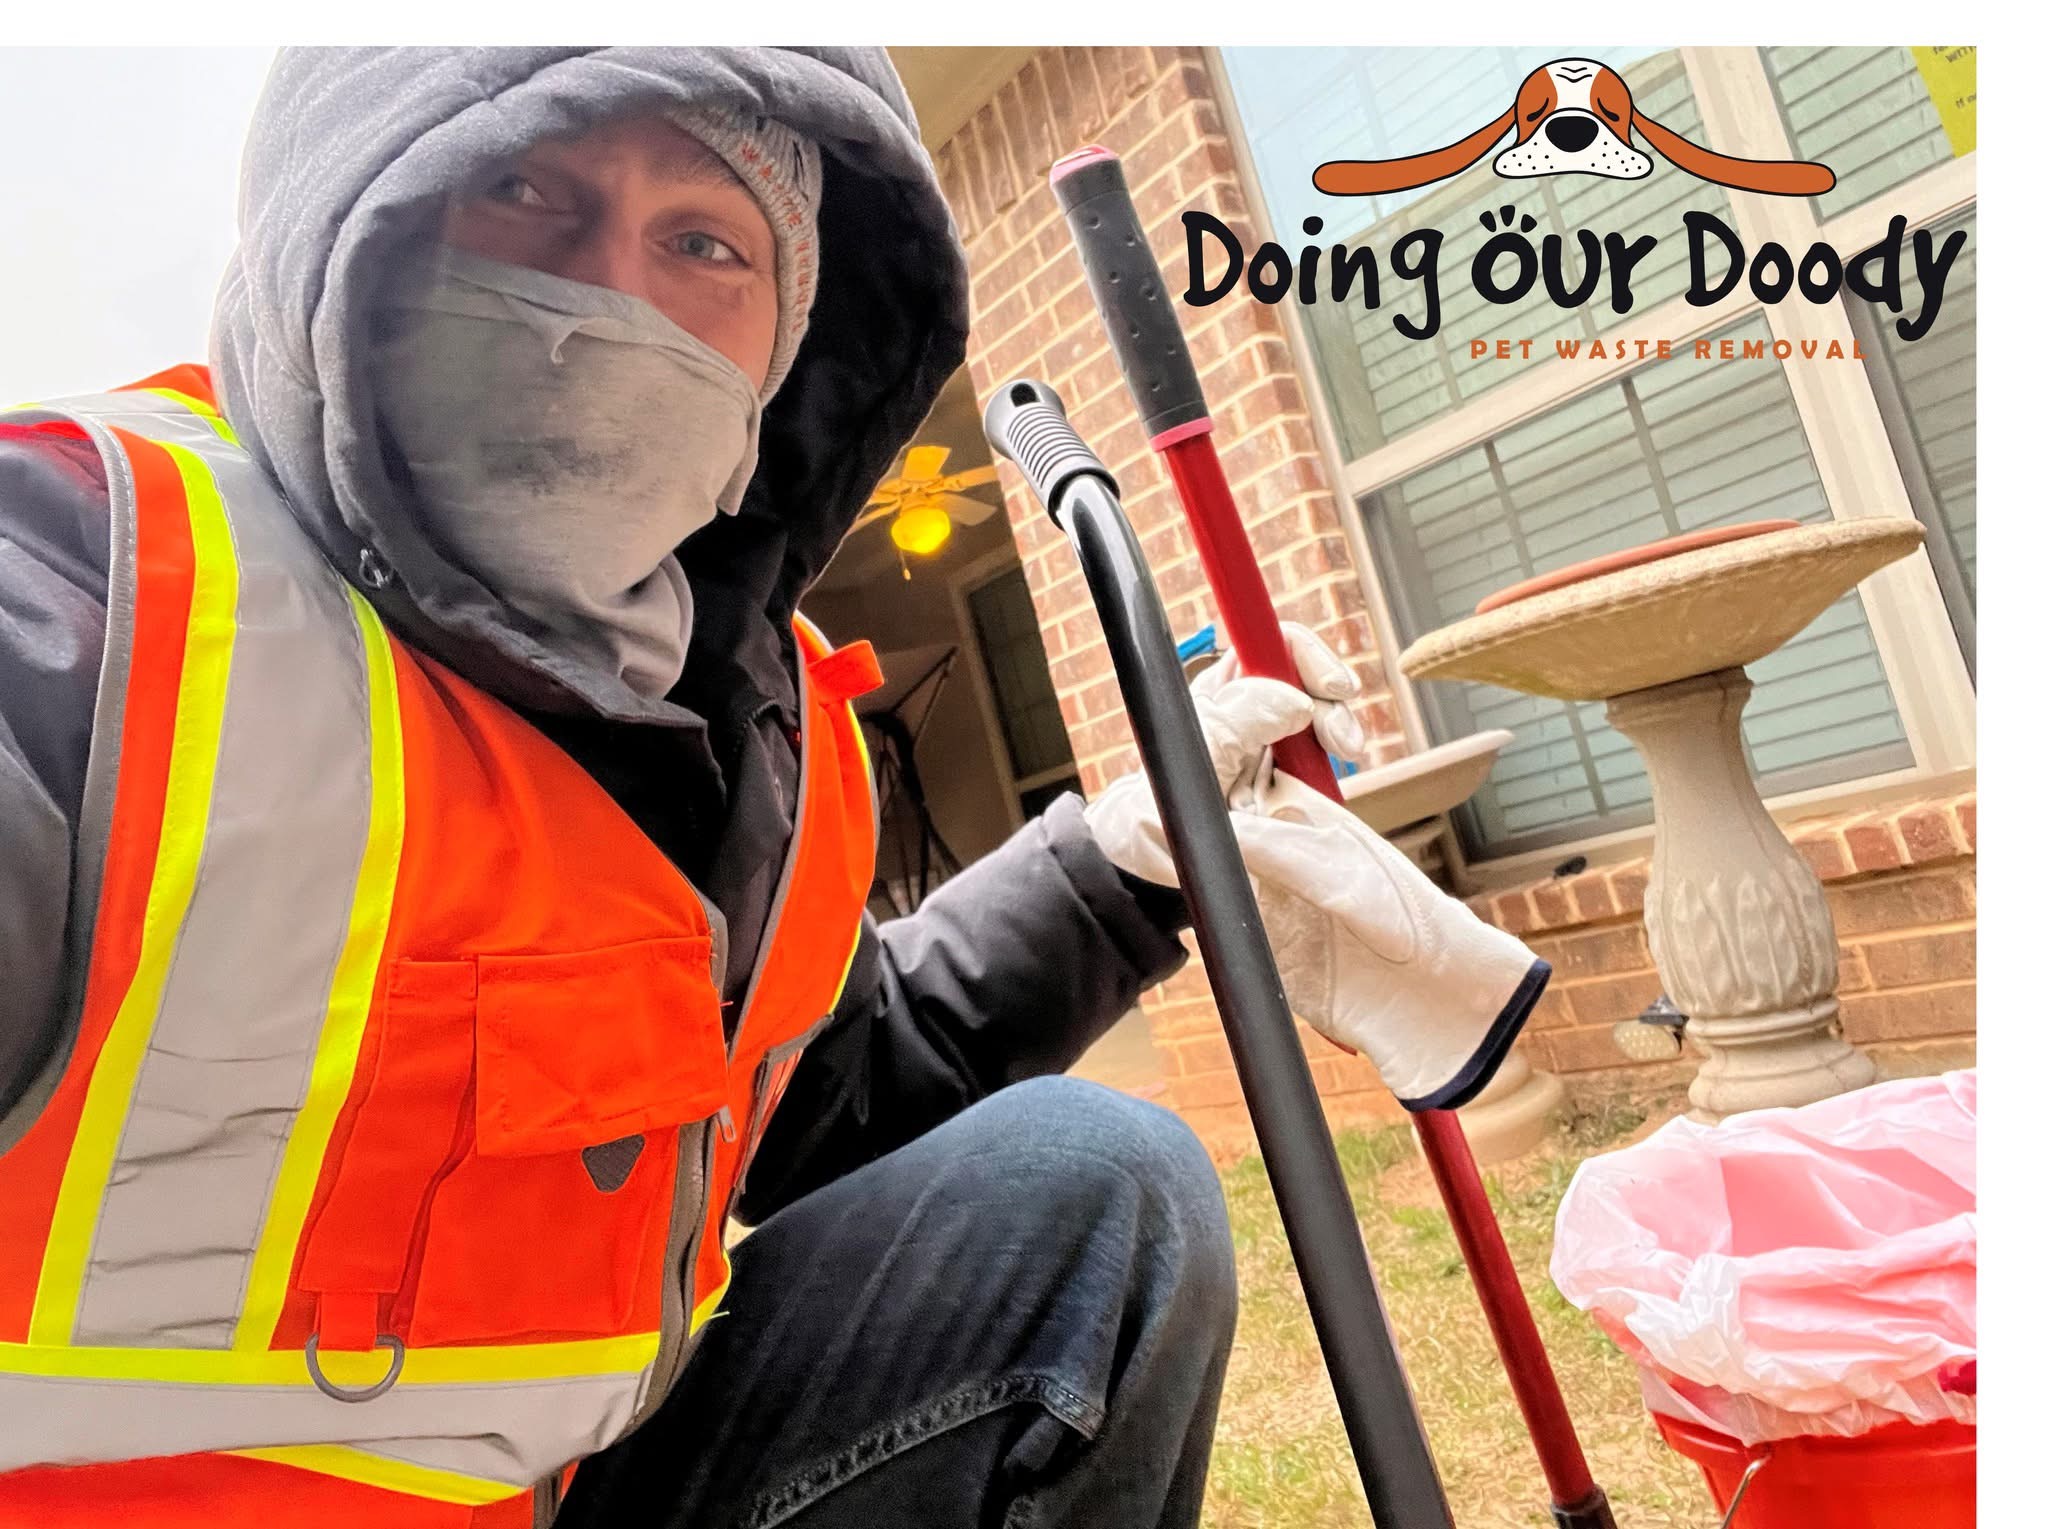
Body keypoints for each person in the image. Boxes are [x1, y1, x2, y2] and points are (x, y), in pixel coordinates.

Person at [0, 47, 1545, 1529]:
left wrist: (1120, 862)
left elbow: (827, 1088)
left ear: (786, 353)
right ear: (347, 217)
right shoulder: (90, 602)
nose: (608, 300)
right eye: (522, 190)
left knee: (1092, 1187)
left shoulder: (751, 716)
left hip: (572, 1494)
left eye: (704, 243)